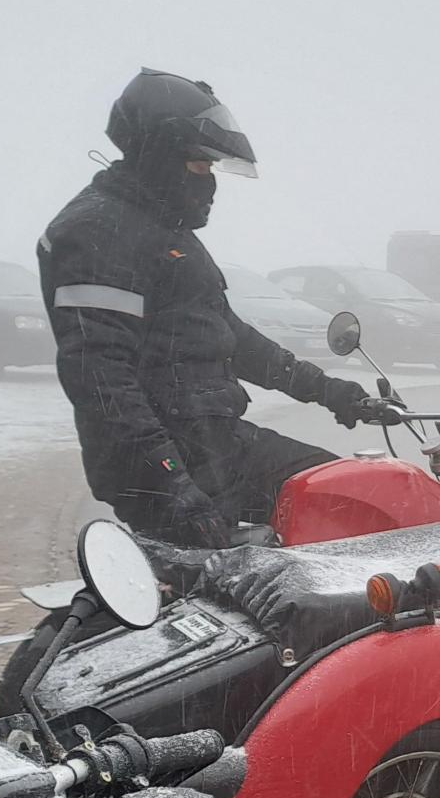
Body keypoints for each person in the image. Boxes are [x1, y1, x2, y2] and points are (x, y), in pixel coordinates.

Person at [38, 68, 393, 546]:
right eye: (199, 166)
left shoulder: (162, 228)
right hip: (166, 464)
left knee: (360, 496)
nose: (209, 185)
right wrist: (171, 482)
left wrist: (328, 390)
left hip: (211, 442)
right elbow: (101, 377)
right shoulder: (99, 233)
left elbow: (227, 335)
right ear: (158, 156)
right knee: (347, 506)